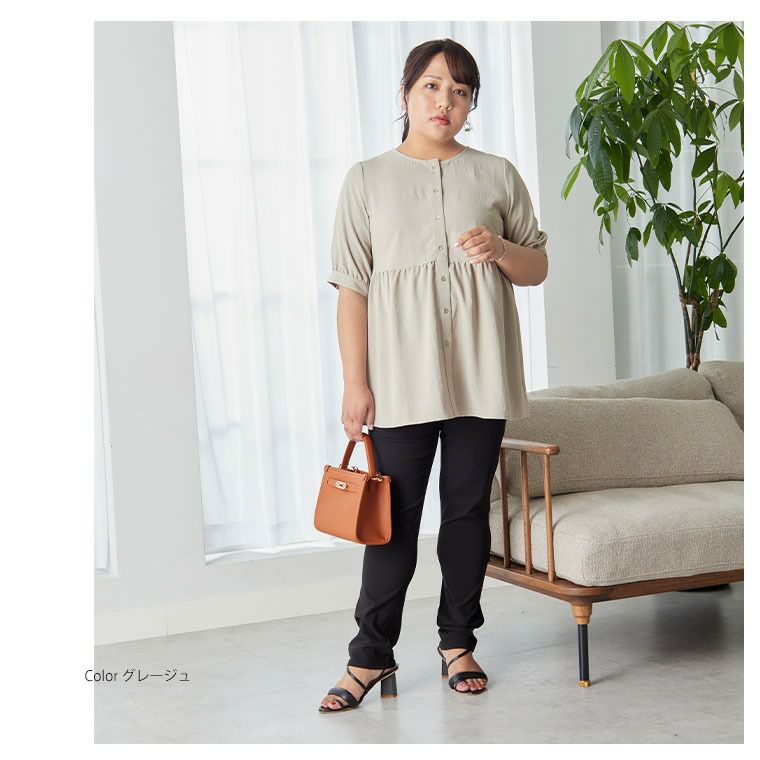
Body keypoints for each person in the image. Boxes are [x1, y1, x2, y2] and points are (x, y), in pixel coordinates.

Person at [319, 38, 549, 713]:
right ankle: (369, 655)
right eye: (431, 86)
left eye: (459, 90)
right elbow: (352, 288)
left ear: (472, 103)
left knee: (467, 514)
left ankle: (458, 643)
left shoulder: (496, 174)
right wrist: (355, 383)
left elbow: (537, 267)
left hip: (482, 375)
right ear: (405, 94)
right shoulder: (367, 179)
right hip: (400, 380)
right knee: (392, 522)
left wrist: (499, 248)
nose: (444, 101)